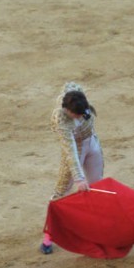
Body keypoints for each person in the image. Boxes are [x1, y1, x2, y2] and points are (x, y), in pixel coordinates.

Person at [40, 82, 104, 254]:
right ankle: (49, 235)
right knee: (61, 191)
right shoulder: (60, 120)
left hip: (92, 142)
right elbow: (70, 151)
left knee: (98, 187)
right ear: (68, 111)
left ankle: (95, 229)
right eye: (76, 115)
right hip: (75, 149)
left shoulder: (76, 93)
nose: (79, 117)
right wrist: (79, 178)